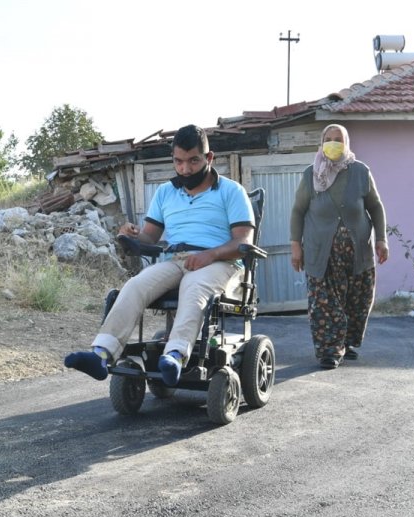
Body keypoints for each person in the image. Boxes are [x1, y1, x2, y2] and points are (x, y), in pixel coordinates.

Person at [65, 124, 255, 386]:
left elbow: (244, 241)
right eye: (178, 162)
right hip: (176, 260)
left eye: (193, 161)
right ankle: (101, 353)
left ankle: (174, 355)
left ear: (209, 158)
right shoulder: (165, 192)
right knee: (135, 285)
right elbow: (149, 238)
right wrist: (131, 235)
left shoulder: (231, 192)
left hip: (220, 262)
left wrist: (209, 255)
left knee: (194, 286)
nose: (185, 169)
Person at [290, 124, 389, 369]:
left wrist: (381, 239)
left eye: (339, 140)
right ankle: (329, 351)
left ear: (347, 144)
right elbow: (298, 211)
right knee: (325, 302)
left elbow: (375, 207)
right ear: (321, 143)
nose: (334, 144)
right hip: (320, 252)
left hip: (358, 251)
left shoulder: (360, 171)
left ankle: (346, 342)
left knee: (358, 300)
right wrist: (295, 246)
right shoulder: (310, 175)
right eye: (329, 139)